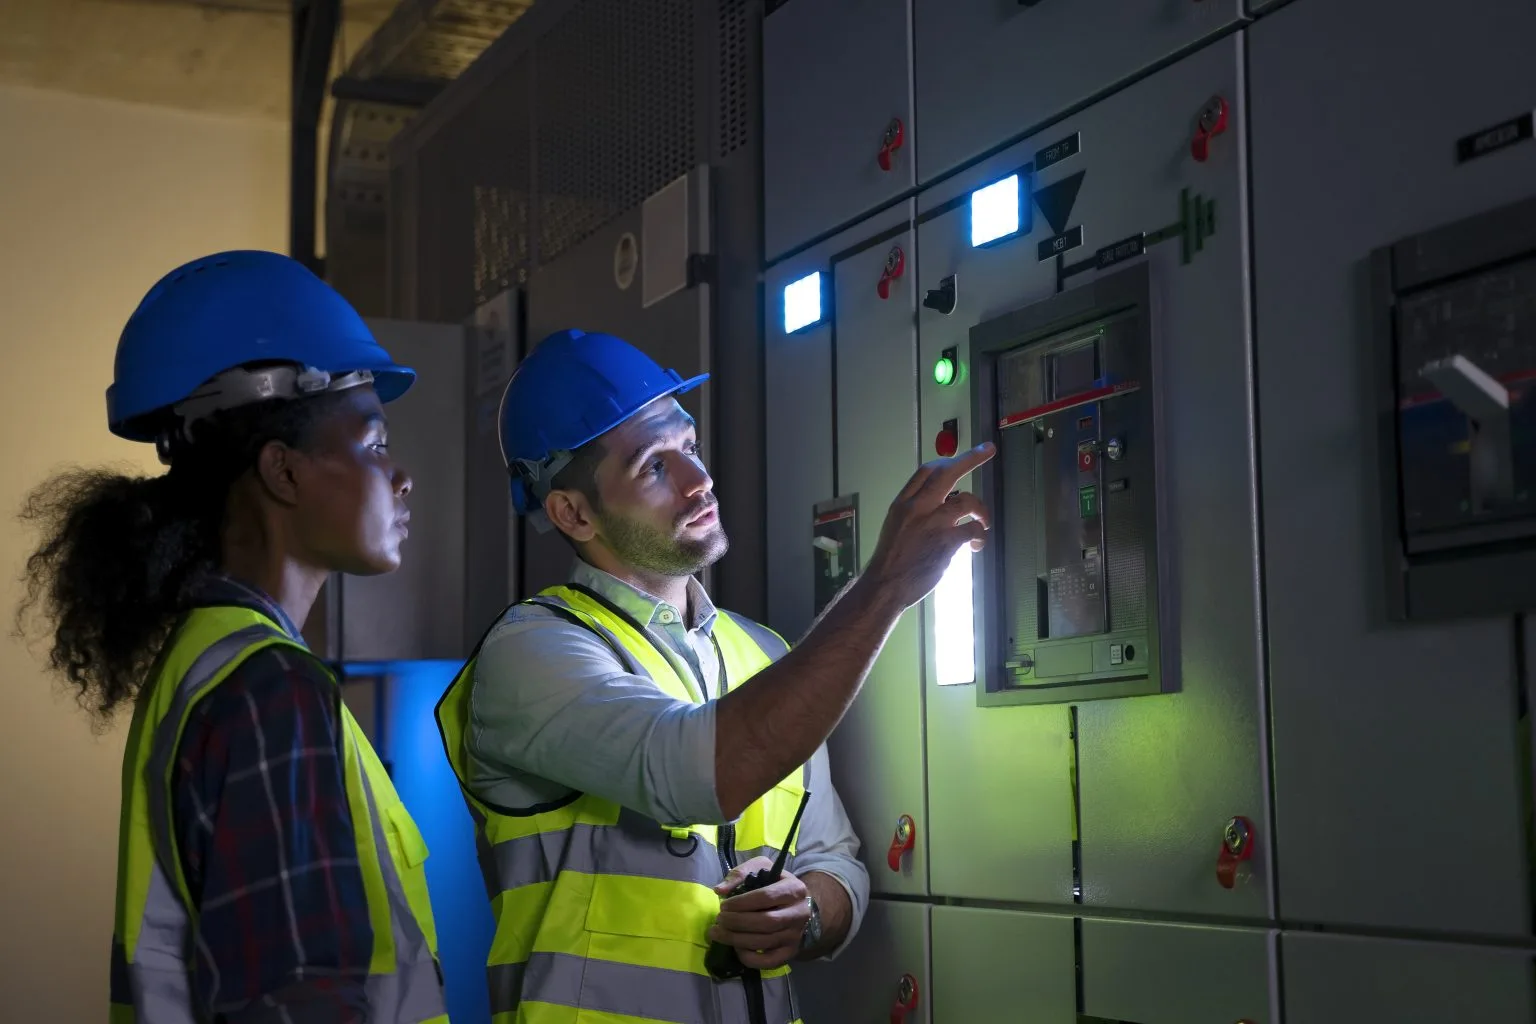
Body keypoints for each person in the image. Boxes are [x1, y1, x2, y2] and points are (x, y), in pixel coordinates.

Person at [435, 329, 993, 1024]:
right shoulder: (532, 653)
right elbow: (689, 772)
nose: (698, 481)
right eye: (653, 467)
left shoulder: (762, 653)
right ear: (573, 513)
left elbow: (838, 862)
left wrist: (809, 911)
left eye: (690, 449)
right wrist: (883, 586)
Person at [15, 251, 450, 1024]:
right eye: (375, 444)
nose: (401, 476)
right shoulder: (268, 689)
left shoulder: (212, 662)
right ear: (283, 473)